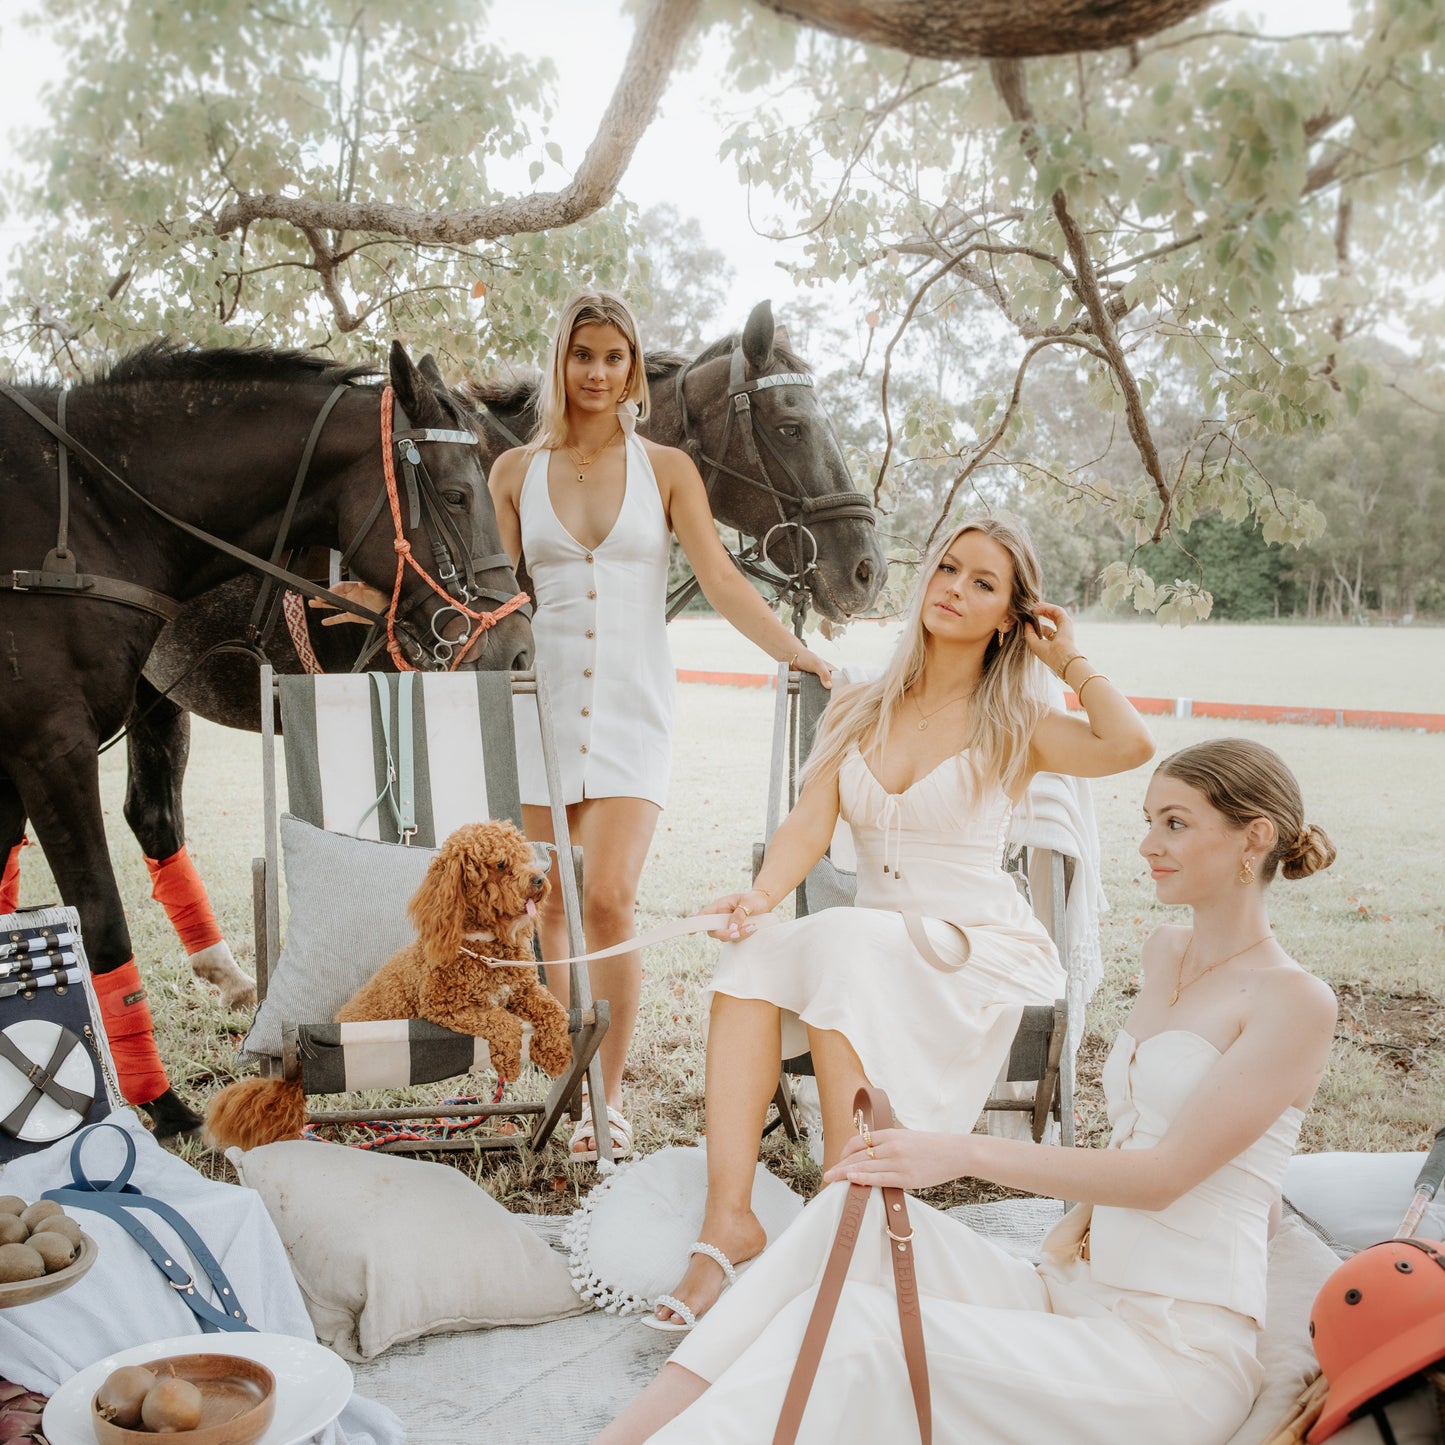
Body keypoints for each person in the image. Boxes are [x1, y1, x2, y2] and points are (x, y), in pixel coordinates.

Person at [601, 737, 1339, 1445]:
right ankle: (630, 1433)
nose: (1147, 842)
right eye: (1147, 819)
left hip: (1167, 1356)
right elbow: (1158, 1134)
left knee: (863, 1327)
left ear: (1254, 838)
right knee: (840, 1219)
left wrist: (952, 1152)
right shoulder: (1165, 951)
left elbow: (1162, 1175)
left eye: (1174, 823)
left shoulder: (1294, 1001)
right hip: (1070, 1292)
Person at [647, 516, 1155, 1330]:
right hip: (877, 941)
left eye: (983, 583)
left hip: (975, 946)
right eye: (948, 568)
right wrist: (761, 896)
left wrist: (1065, 658)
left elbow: (1130, 744)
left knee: (847, 943)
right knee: (750, 965)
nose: (954, 588)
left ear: (1009, 616)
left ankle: (837, 1218)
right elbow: (810, 821)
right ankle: (726, 1223)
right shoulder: (857, 702)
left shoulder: (1015, 721)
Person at [485, 290, 833, 1159]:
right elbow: (490, 601)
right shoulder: (513, 474)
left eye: (614, 356)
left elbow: (719, 580)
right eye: (582, 355)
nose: (598, 372)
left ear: (633, 368)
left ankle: (605, 1098)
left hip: (636, 705)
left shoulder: (668, 468)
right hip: (539, 708)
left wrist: (801, 654)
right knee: (546, 907)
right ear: (560, 363)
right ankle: (564, 1082)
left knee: (607, 899)